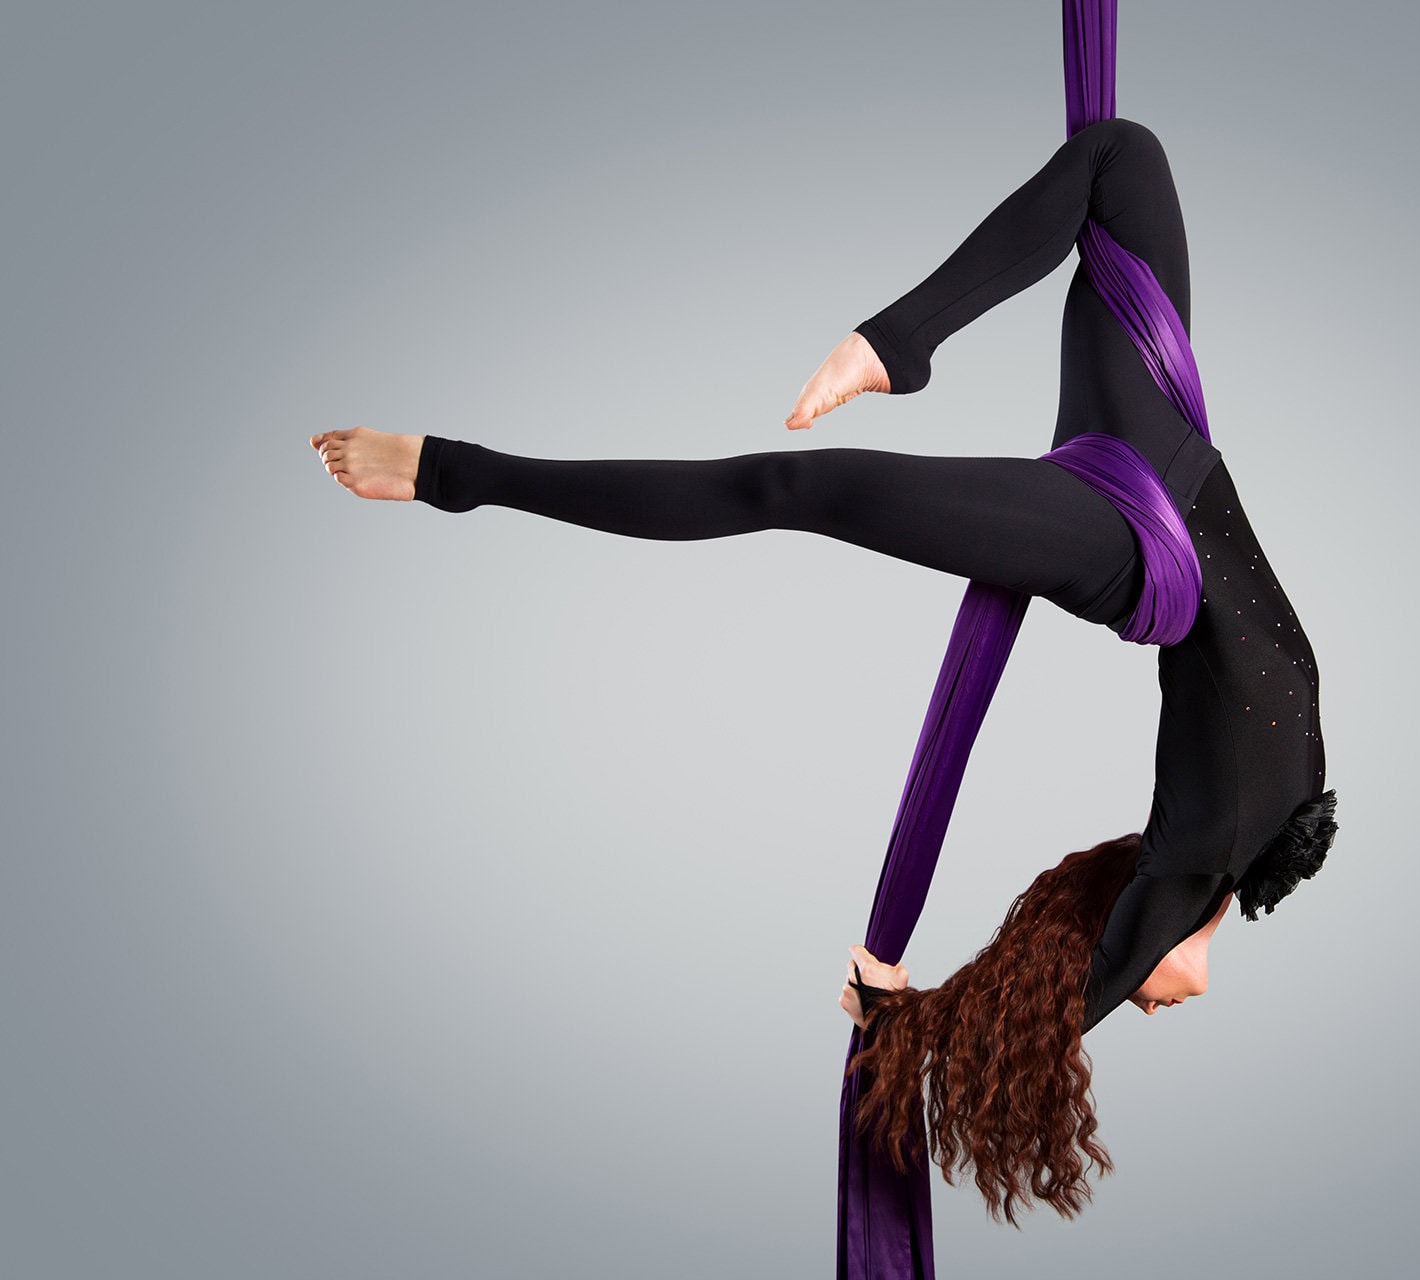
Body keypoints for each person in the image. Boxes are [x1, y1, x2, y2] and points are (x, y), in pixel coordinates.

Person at [308, 117, 1335, 1222]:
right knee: (1121, 153)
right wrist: (928, 1016)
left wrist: (902, 1019)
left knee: (792, 488)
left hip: (1135, 538)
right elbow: (1083, 990)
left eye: (1128, 989)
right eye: (1148, 987)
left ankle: (453, 473)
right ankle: (899, 342)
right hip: (1168, 454)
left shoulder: (1213, 851)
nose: (1149, 999)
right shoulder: (1218, 860)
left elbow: (1052, 1007)